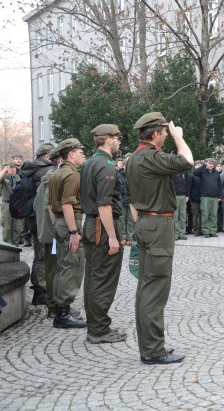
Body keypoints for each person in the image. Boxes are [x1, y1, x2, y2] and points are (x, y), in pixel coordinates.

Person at [125, 112, 193, 365]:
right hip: (157, 223)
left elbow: (131, 197)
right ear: (155, 134)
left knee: (146, 287)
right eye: (164, 132)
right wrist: (179, 138)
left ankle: (152, 345)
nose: (166, 136)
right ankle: (153, 350)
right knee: (155, 288)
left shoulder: (134, 158)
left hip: (145, 220)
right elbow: (187, 161)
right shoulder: (151, 157)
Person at [80, 124, 127, 344]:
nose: (119, 141)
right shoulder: (107, 166)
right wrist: (113, 236)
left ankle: (96, 325)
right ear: (108, 139)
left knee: (92, 277)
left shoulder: (89, 162)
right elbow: (105, 204)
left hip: (91, 225)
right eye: (117, 137)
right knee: (103, 280)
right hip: (102, 226)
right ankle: (99, 330)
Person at [48, 138, 86, 329]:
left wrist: (59, 225)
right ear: (71, 154)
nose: (83, 155)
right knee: (72, 266)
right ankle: (63, 315)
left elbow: (50, 205)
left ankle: (59, 309)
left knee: (62, 267)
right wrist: (72, 231)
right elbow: (67, 204)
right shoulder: (72, 175)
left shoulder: (56, 173)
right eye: (80, 152)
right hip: (70, 222)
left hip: (60, 222)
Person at [20, 143, 55, 305]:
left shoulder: (29, 170)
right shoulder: (47, 171)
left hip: (31, 218)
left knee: (38, 253)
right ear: (47, 156)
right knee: (44, 255)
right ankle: (41, 291)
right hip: (42, 218)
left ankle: (39, 288)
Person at [36, 147, 65, 320]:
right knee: (55, 270)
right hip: (53, 234)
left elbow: (35, 206)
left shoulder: (45, 181)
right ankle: (54, 307)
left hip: (48, 232)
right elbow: (50, 207)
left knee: (52, 269)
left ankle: (54, 305)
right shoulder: (52, 181)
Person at [193, 159, 222, 238]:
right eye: (209, 163)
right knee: (205, 214)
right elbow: (195, 172)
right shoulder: (202, 172)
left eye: (212, 164)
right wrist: (203, 166)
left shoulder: (216, 173)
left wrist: (219, 196)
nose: (211, 165)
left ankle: (212, 231)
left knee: (214, 215)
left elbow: (219, 185)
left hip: (215, 197)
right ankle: (205, 231)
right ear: (206, 164)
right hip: (205, 197)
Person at [0, 163, 23, 246]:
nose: (13, 169)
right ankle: (7, 245)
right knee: (7, 226)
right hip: (7, 203)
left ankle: (15, 244)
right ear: (8, 168)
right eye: (11, 168)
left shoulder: (19, 177)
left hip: (17, 204)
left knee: (17, 226)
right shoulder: (5, 177)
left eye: (14, 168)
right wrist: (4, 170)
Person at [172, 169, 190, 240]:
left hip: (183, 196)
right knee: (175, 215)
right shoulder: (172, 171)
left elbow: (187, 184)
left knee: (183, 215)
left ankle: (181, 233)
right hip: (175, 196)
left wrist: (187, 195)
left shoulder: (184, 171)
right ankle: (175, 234)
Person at [189, 161, 203, 236]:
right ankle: (195, 230)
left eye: (200, 165)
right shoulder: (192, 175)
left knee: (202, 215)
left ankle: (201, 229)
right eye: (198, 165)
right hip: (194, 199)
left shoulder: (203, 175)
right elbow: (189, 188)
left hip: (202, 199)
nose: (199, 167)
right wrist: (191, 200)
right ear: (194, 166)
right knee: (195, 215)